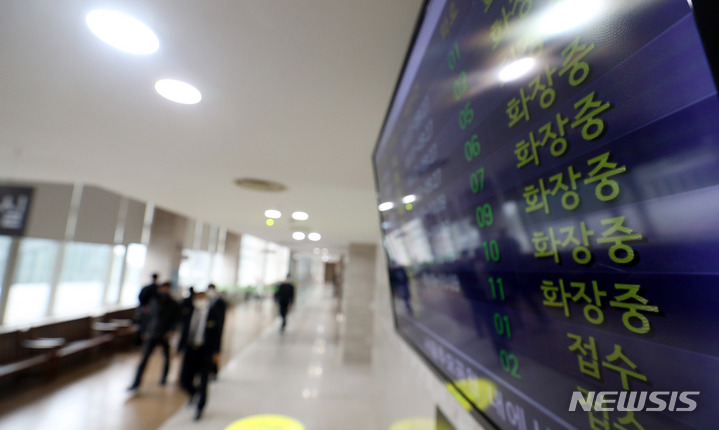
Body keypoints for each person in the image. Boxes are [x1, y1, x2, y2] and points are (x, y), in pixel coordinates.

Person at [178, 289, 225, 421]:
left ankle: (200, 407)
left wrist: (217, 352)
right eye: (197, 298)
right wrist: (179, 348)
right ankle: (194, 393)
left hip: (205, 351)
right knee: (184, 380)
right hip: (190, 350)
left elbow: (218, 334)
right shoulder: (189, 312)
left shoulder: (214, 313)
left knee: (203, 380)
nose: (199, 301)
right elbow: (185, 331)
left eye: (202, 298)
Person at [129, 281, 180, 391]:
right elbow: (147, 318)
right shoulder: (153, 302)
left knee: (166, 358)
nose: (165, 291)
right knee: (144, 359)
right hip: (152, 334)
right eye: (163, 288)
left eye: (167, 289)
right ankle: (136, 382)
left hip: (165, 335)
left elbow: (176, 319)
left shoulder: (174, 304)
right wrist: (144, 331)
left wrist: (171, 331)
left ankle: (164, 378)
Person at [206, 284, 226, 381]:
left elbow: (221, 318)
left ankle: (214, 372)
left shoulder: (221, 303)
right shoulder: (206, 301)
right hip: (206, 331)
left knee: (214, 351)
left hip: (216, 329)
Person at [135, 273, 160, 341]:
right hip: (145, 309)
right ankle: (140, 339)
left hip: (153, 310)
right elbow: (141, 297)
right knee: (143, 324)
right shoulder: (148, 288)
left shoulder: (157, 288)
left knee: (150, 324)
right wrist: (144, 306)